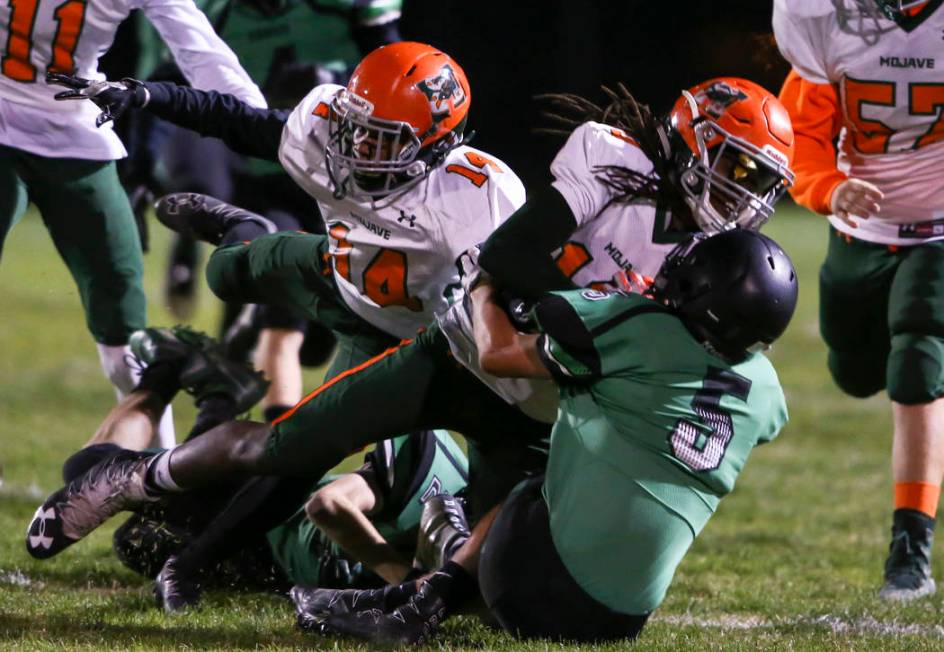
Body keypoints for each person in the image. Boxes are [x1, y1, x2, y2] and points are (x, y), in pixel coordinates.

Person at [25, 76, 795, 565]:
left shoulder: (708, 256)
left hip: (473, 365)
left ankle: (207, 525)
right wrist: (157, 97)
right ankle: (156, 461)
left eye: (758, 179)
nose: (745, 193)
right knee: (252, 309)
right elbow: (515, 258)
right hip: (412, 320)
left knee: (479, 561)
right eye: (737, 166)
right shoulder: (604, 160)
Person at [298, 228, 798, 645]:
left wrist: (482, 286)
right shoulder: (767, 395)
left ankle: (418, 605)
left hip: (531, 588)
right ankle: (410, 593)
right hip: (622, 621)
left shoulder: (644, 329)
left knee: (531, 482)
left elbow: (499, 352)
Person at [53, 324, 469, 611]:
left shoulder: (482, 565)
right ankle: (167, 375)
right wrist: (402, 579)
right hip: (260, 515)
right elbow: (328, 506)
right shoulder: (444, 474)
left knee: (138, 544)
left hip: (273, 569)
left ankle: (220, 393)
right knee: (87, 471)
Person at [0, 0, 266, 448]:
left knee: (124, 323)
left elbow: (199, 49)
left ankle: (157, 467)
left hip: (75, 130)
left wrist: (260, 123)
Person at [773, 0, 944, 600]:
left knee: (918, 360)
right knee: (854, 370)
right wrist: (829, 186)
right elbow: (805, 138)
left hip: (939, 232)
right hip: (859, 234)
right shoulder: (823, 16)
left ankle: (910, 549)